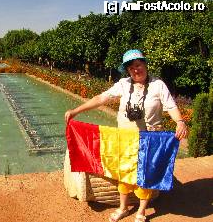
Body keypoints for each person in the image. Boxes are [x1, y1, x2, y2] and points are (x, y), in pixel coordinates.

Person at [64, 49, 188, 222]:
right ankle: (123, 208)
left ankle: (141, 212)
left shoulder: (158, 84)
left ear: (145, 64)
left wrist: (180, 121)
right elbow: (101, 98)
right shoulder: (123, 84)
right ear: (127, 71)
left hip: (149, 140)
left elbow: (171, 106)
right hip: (125, 140)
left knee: (146, 176)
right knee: (123, 174)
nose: (135, 70)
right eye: (131, 68)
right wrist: (76, 111)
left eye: (138, 65)